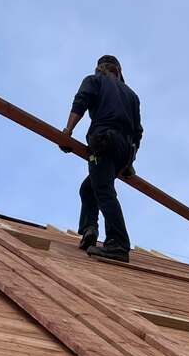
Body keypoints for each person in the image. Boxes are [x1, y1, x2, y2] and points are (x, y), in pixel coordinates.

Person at [61, 54, 142, 262]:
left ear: (99, 68)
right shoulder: (132, 95)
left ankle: (118, 243)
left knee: (104, 191)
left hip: (104, 141)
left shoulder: (94, 80)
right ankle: (90, 229)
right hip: (125, 150)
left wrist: (67, 132)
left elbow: (81, 102)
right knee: (89, 188)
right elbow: (138, 132)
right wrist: (130, 162)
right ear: (119, 72)